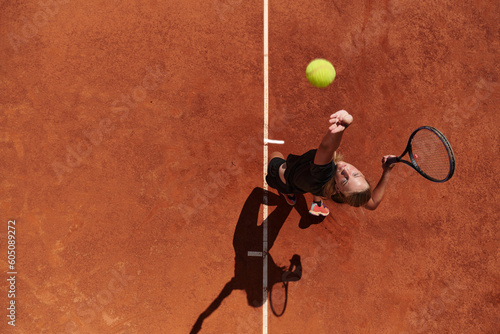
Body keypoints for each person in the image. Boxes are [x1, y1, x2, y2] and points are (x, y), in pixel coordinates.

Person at [265, 110, 395, 216]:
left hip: (284, 179)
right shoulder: (344, 195)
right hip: (307, 186)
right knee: (314, 187)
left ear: (338, 188)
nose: (346, 171)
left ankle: (288, 194)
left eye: (345, 180)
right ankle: (316, 201)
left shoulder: (323, 174)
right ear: (362, 174)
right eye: (355, 174)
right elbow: (373, 203)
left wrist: (343, 127)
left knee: (275, 155)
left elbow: (327, 147)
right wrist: (387, 171)